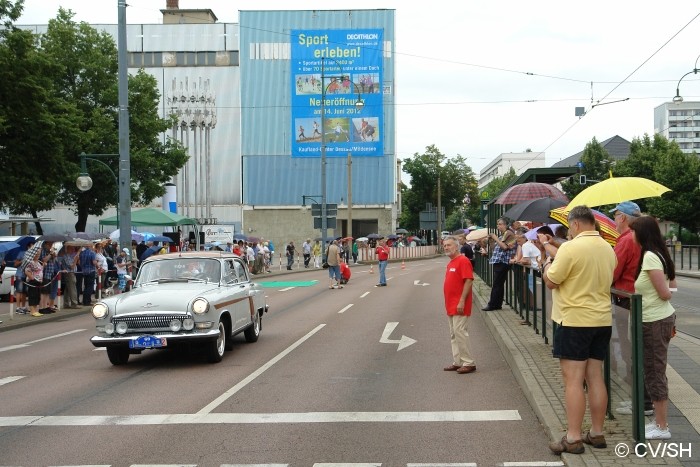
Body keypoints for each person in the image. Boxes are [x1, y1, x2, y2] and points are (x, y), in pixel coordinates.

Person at [541, 206, 617, 455]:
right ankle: (596, 432)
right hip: (601, 319)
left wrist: (547, 264)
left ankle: (572, 437)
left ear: (574, 225)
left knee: (573, 380)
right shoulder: (608, 248)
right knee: (595, 376)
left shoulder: (570, 249)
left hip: (573, 320)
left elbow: (552, 281)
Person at [629, 216, 677, 440]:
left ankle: (662, 426)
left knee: (655, 371)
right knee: (653, 369)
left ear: (642, 234)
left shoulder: (649, 257)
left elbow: (665, 292)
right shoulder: (658, 254)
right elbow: (672, 285)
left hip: (654, 321)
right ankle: (659, 422)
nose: (631, 235)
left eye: (633, 231)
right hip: (656, 319)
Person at [441, 236, 476, 374]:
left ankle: (469, 362)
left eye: (449, 245)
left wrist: (462, 300)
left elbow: (468, 280)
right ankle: (458, 361)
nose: (446, 247)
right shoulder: (451, 263)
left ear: (456, 246)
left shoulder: (463, 260)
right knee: (454, 334)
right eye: (444, 245)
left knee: (460, 332)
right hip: (451, 304)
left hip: (460, 304)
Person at [482, 218, 516, 311]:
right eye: (498, 224)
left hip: (503, 261)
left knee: (497, 284)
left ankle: (492, 304)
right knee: (498, 284)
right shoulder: (502, 235)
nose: (498, 226)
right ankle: (497, 304)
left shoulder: (509, 233)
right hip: (498, 261)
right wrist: (492, 241)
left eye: (500, 224)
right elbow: (495, 248)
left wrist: (495, 238)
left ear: (506, 225)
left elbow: (505, 247)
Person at [24, 249, 45, 317]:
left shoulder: (38, 262)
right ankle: (32, 311)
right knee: (32, 296)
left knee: (37, 296)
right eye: (36, 254)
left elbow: (40, 270)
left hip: (39, 281)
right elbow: (27, 271)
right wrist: (32, 278)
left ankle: (35, 310)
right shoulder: (30, 262)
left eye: (39, 254)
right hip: (33, 281)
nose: (37, 255)